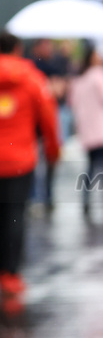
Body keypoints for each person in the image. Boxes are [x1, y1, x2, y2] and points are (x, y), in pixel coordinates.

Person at [0, 33, 60, 300]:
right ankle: (10, 274)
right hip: (19, 160)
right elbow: (48, 118)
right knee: (14, 216)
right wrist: (53, 151)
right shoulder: (32, 79)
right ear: (18, 48)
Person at [67, 42, 103, 219]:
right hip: (102, 129)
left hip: (88, 130)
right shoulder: (99, 74)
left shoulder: (78, 79)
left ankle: (85, 200)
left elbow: (72, 103)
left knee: (91, 167)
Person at [26, 37, 69, 210]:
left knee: (49, 160)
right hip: (34, 122)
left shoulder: (54, 63)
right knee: (35, 162)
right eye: (46, 44)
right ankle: (36, 197)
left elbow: (61, 90)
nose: (49, 47)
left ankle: (46, 196)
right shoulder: (30, 66)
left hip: (47, 118)